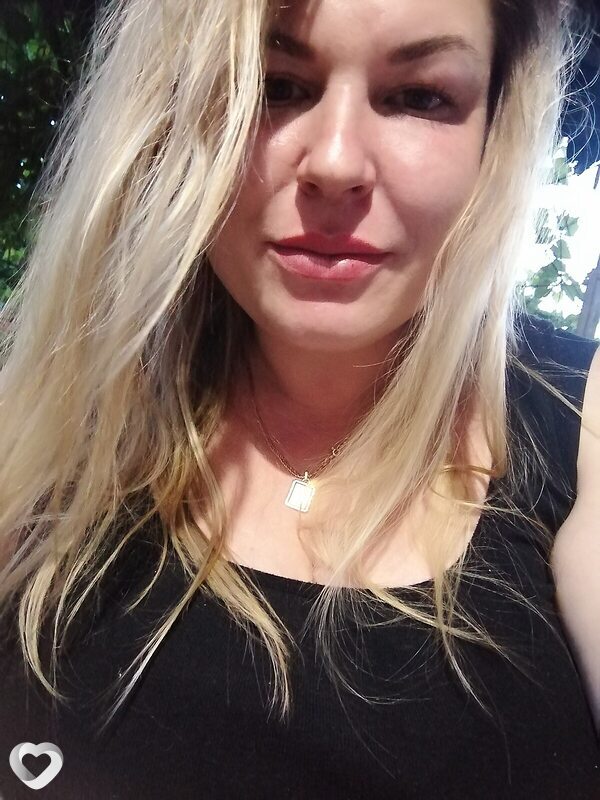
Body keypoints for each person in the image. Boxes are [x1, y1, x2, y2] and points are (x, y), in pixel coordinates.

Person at [0, 0, 598, 797]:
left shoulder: (582, 421)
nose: (337, 161)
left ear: (495, 131)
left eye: (419, 97)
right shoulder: (42, 421)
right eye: (275, 85)